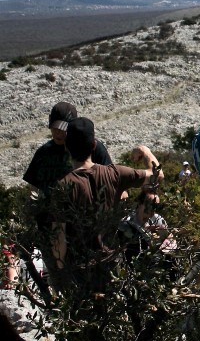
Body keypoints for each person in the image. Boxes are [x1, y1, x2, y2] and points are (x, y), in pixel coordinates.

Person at [52, 119, 162, 271]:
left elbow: (59, 237)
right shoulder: (115, 173)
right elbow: (157, 175)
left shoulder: (62, 186)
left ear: (67, 147)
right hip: (112, 265)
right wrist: (145, 151)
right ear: (94, 146)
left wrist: (61, 269)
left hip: (79, 270)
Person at [22, 102, 114, 196]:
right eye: (55, 128)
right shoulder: (43, 152)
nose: (58, 133)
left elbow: (111, 178)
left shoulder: (91, 148)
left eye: (62, 129)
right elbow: (33, 187)